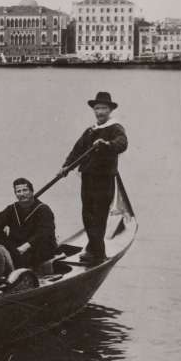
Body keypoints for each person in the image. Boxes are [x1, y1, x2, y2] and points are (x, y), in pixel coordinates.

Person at [56, 91, 129, 264]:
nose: (100, 112)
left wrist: (107, 144)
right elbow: (77, 150)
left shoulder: (115, 128)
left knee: (99, 215)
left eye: (103, 108)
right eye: (97, 108)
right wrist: (66, 167)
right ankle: (93, 247)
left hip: (104, 178)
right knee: (87, 214)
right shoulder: (90, 131)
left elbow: (122, 143)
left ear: (110, 110)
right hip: (87, 177)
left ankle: (97, 252)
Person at [0, 177, 58, 273]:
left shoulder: (43, 209)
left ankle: (28, 272)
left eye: (25, 190)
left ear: (32, 191)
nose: (22, 194)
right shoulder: (12, 208)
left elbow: (44, 233)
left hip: (39, 247)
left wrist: (24, 247)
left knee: (29, 253)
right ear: (15, 194)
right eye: (18, 191)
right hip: (19, 247)